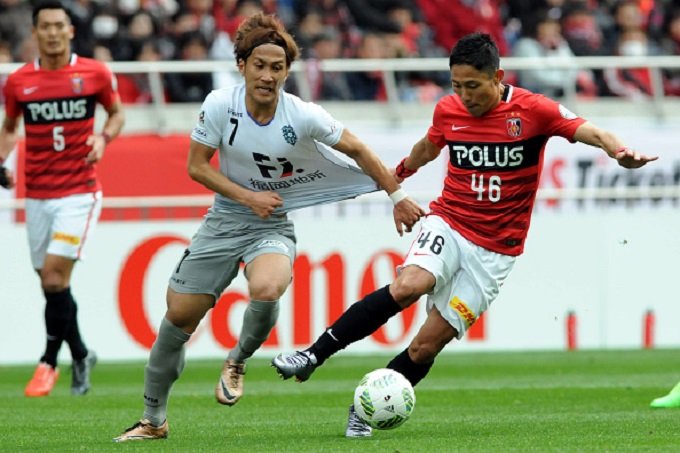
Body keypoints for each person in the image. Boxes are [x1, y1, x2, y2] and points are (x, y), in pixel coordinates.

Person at [271, 31, 658, 437]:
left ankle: (364, 410)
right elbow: (429, 146)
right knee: (409, 285)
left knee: (424, 347)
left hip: (495, 252)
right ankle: (312, 355)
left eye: (473, 86)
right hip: (450, 222)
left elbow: (592, 131)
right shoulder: (448, 110)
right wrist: (397, 176)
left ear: (498, 77)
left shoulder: (533, 111)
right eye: (456, 85)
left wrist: (619, 152)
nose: (465, 95)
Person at [112, 12, 424, 442]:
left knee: (268, 286)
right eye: (260, 65)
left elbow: (359, 150)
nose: (268, 75)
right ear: (242, 65)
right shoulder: (220, 105)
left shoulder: (302, 114)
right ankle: (153, 420)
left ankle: (237, 360)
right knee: (177, 320)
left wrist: (397, 196)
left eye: (277, 68)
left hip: (271, 223)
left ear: (286, 72)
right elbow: (196, 167)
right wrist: (248, 197)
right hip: (224, 219)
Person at [0, 1, 124, 397]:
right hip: (36, 195)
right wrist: (1, 159)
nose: (52, 33)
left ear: (70, 30)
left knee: (54, 277)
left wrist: (103, 139)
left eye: (59, 26)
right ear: (34, 33)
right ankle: (82, 353)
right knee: (52, 286)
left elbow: (117, 114)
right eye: (45, 27)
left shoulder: (94, 73)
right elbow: (9, 126)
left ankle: (48, 362)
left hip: (79, 193)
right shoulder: (19, 82)